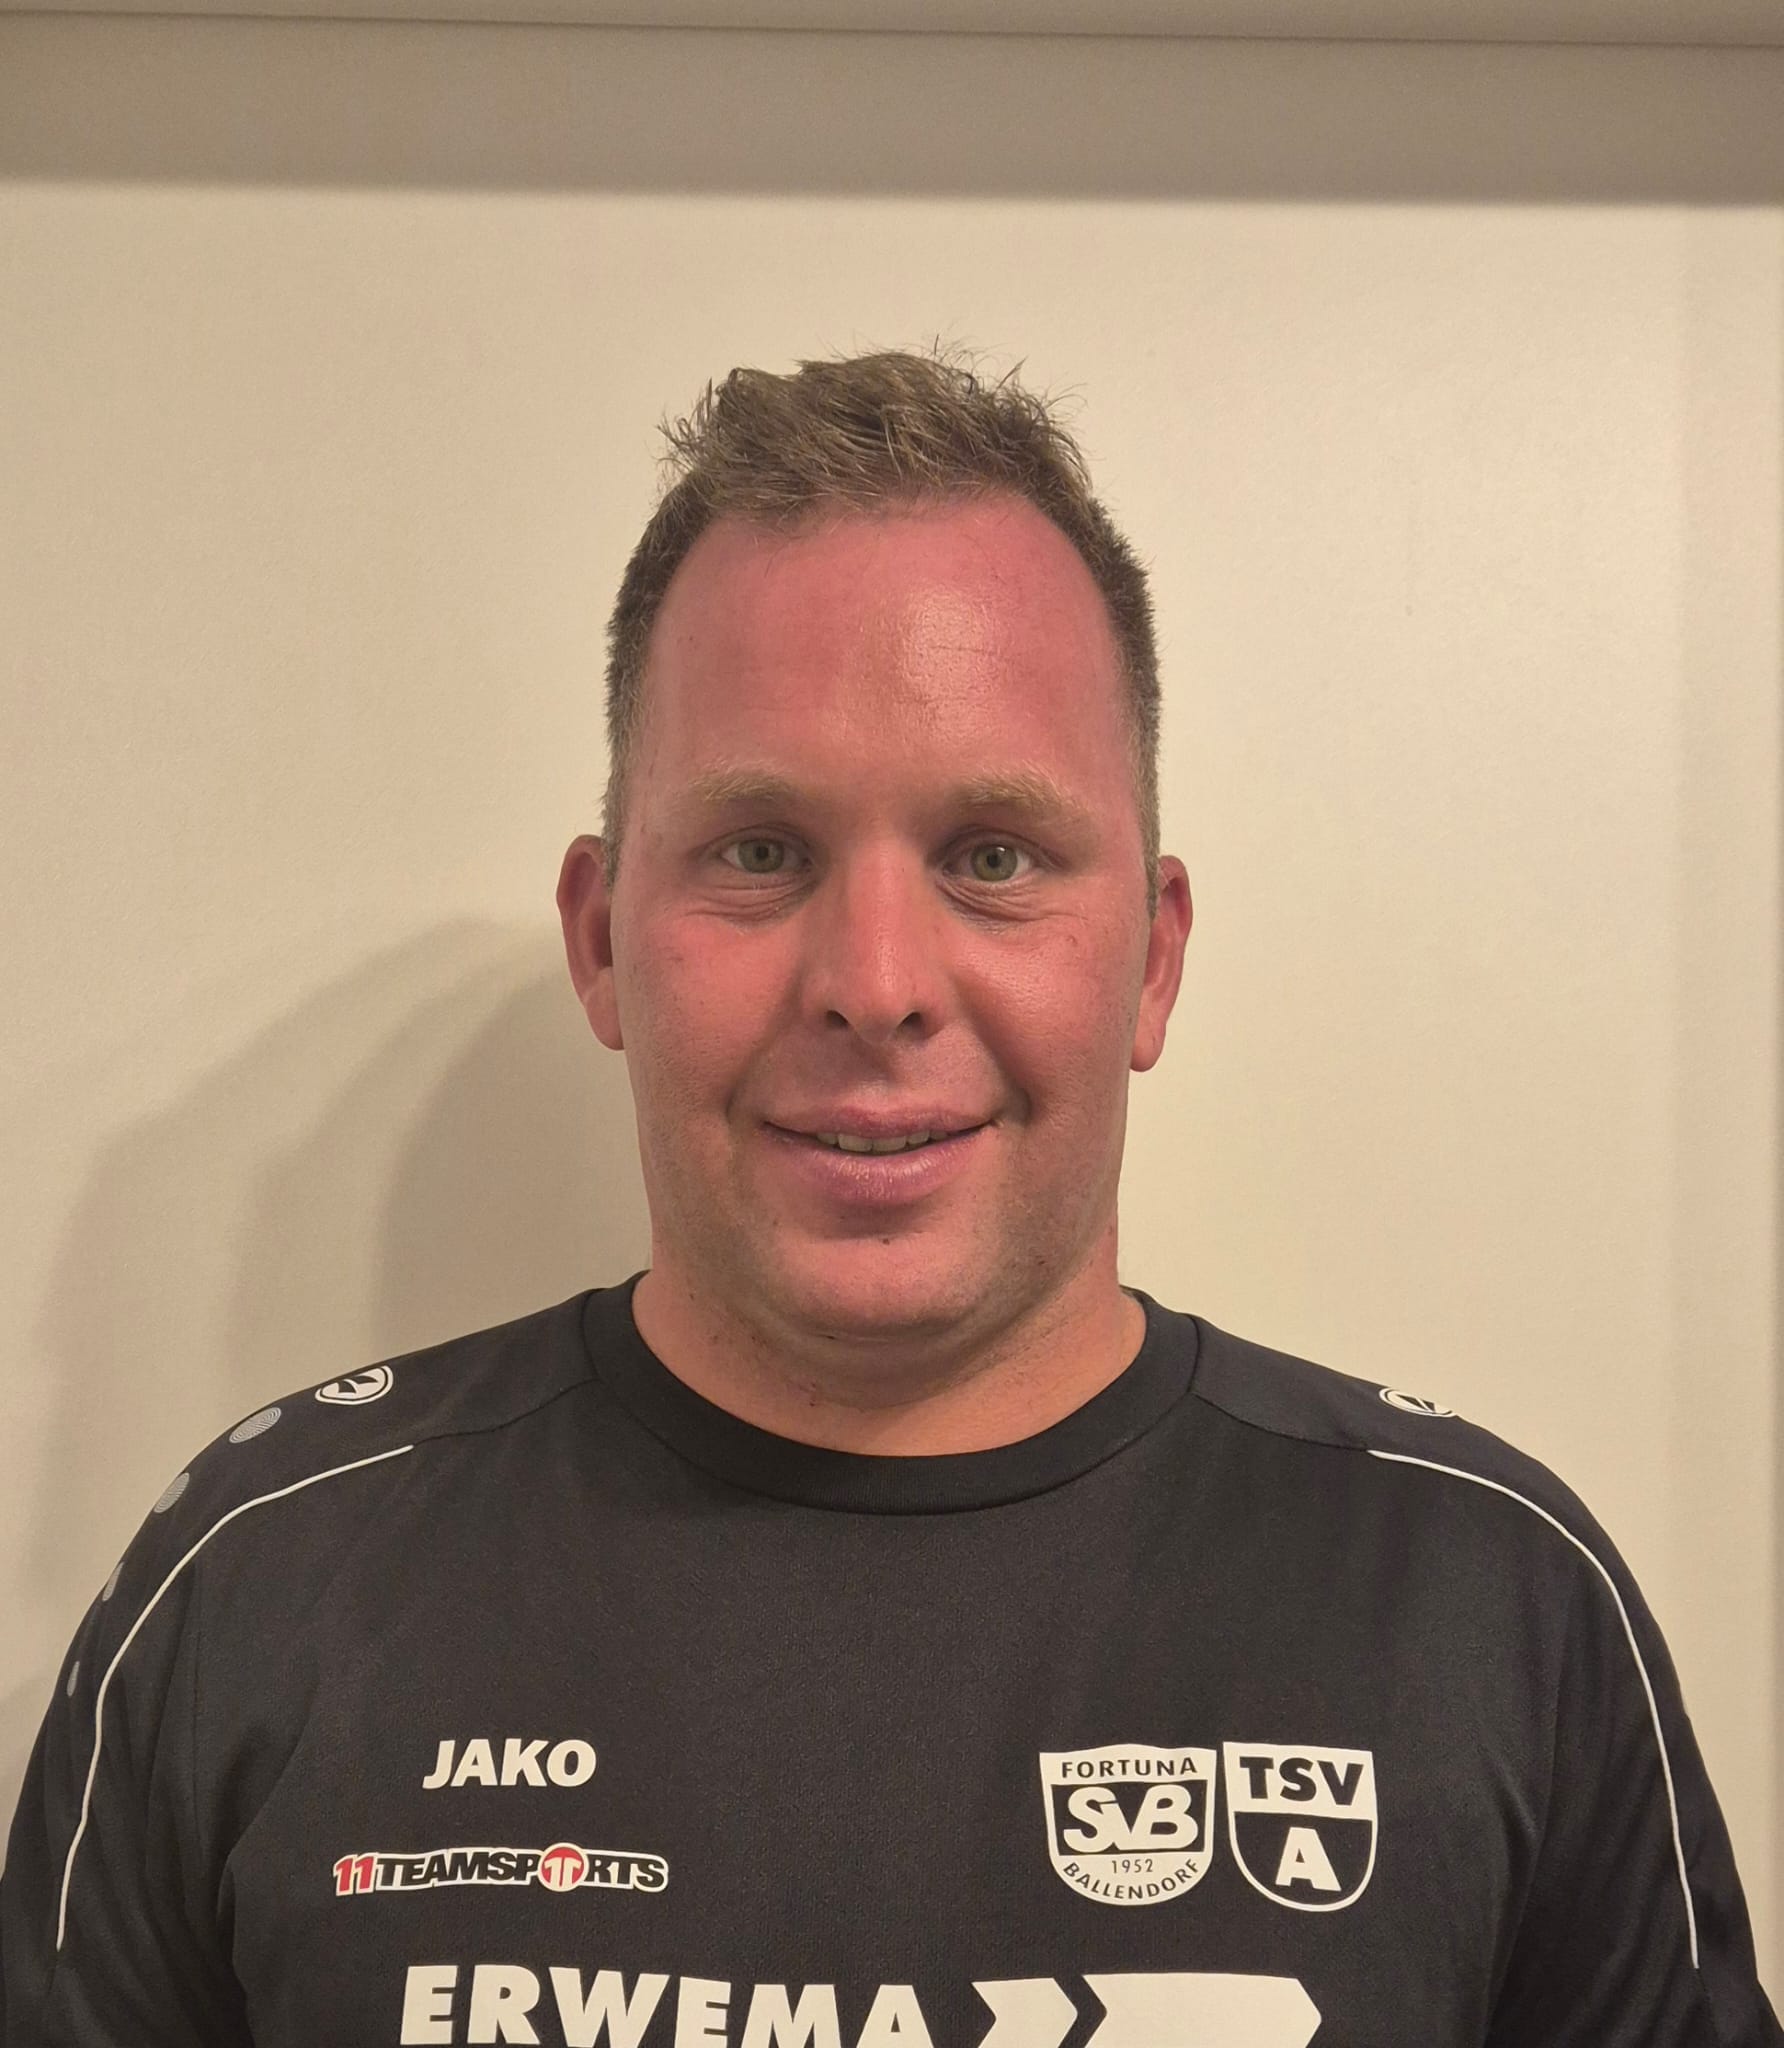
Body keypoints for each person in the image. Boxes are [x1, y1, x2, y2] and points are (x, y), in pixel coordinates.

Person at [1, 348, 1777, 2048]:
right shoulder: (259, 1587)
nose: (874, 984)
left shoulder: (1487, 1605)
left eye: (993, 856)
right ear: (601, 941)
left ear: (1152, 961)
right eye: (759, 851)